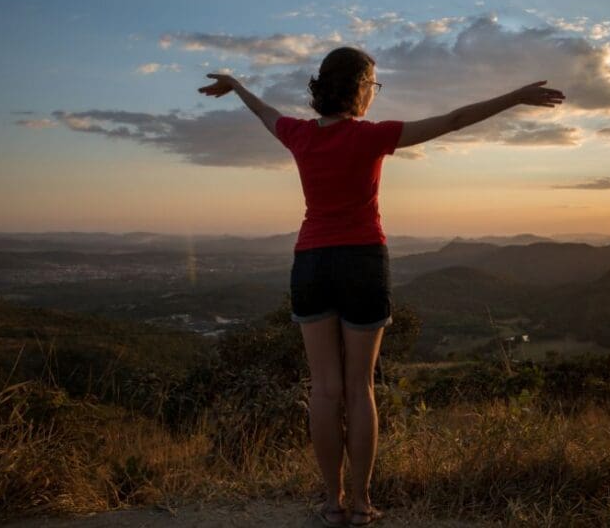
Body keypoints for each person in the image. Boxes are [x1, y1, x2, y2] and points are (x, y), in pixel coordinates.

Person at [199, 46, 564, 526]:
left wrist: (237, 86)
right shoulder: (372, 137)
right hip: (363, 262)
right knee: (359, 387)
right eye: (373, 82)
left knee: (325, 389)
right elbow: (454, 119)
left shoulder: (299, 135)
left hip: (310, 263)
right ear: (357, 88)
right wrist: (515, 97)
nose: (374, 91)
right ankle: (361, 502)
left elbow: (266, 113)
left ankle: (331, 504)